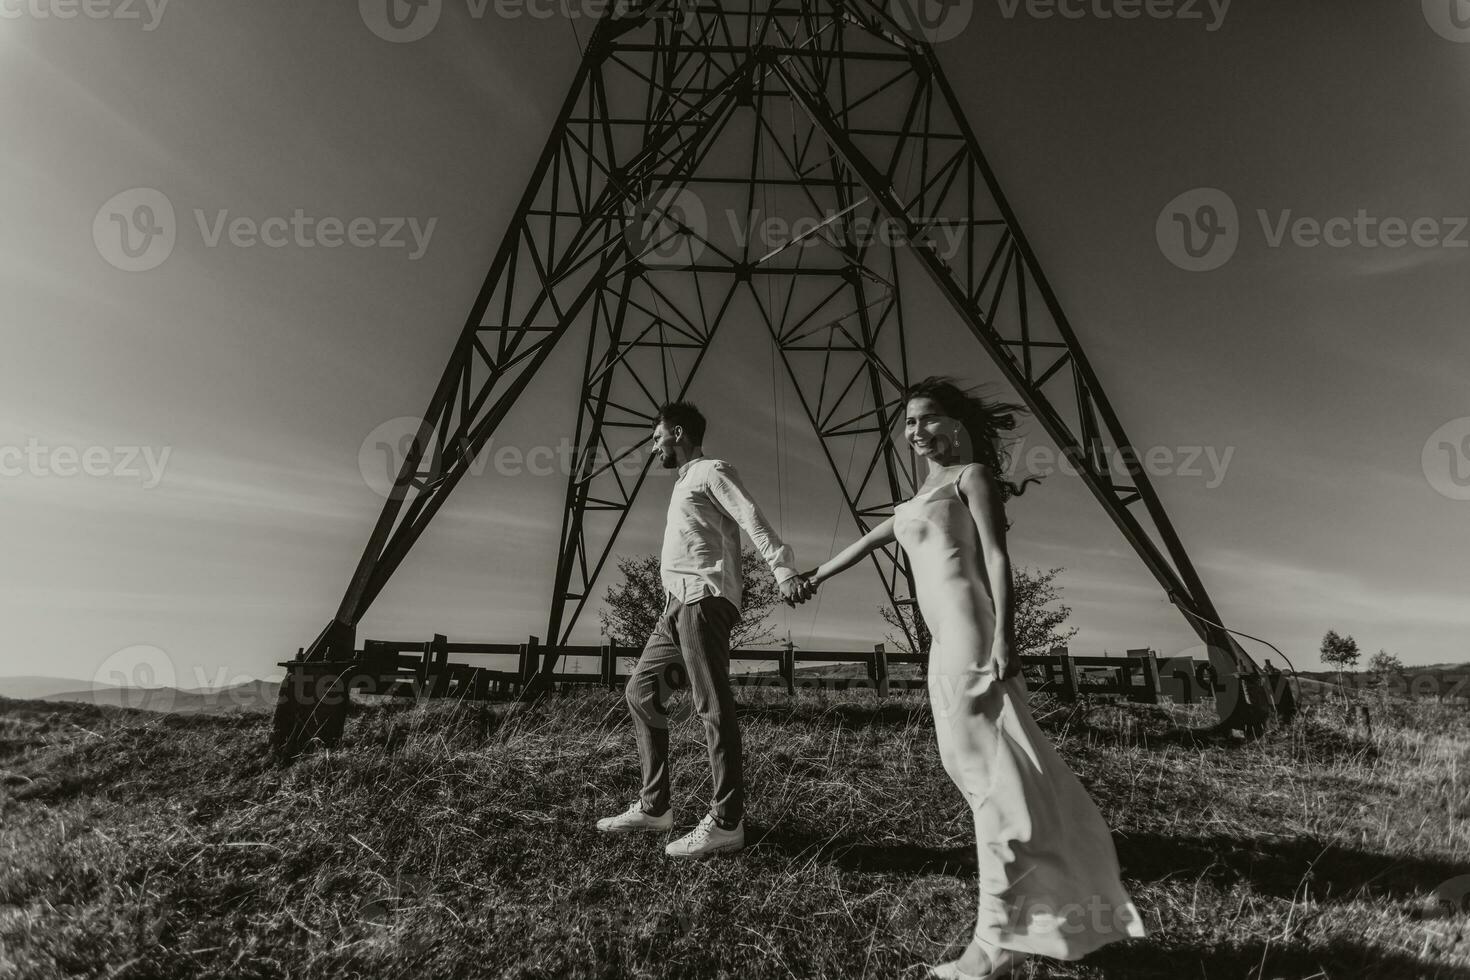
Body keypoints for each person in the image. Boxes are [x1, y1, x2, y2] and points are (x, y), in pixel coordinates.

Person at [798, 377, 1145, 979]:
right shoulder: (914, 501)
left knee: (989, 778)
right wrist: (809, 578)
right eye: (908, 424)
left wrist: (1008, 635)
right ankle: (1043, 907)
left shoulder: (971, 478)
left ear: (955, 423)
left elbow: (996, 557)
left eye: (928, 419)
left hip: (972, 636)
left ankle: (990, 945)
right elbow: (861, 546)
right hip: (943, 646)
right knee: (976, 771)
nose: (916, 432)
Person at [595, 400, 814, 858]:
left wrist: (782, 569)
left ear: (678, 433)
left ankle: (727, 821)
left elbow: (750, 515)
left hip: (705, 600)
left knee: (711, 704)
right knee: (640, 692)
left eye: (657, 438)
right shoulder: (681, 486)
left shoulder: (710, 471)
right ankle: (655, 808)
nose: (654, 448)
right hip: (675, 607)